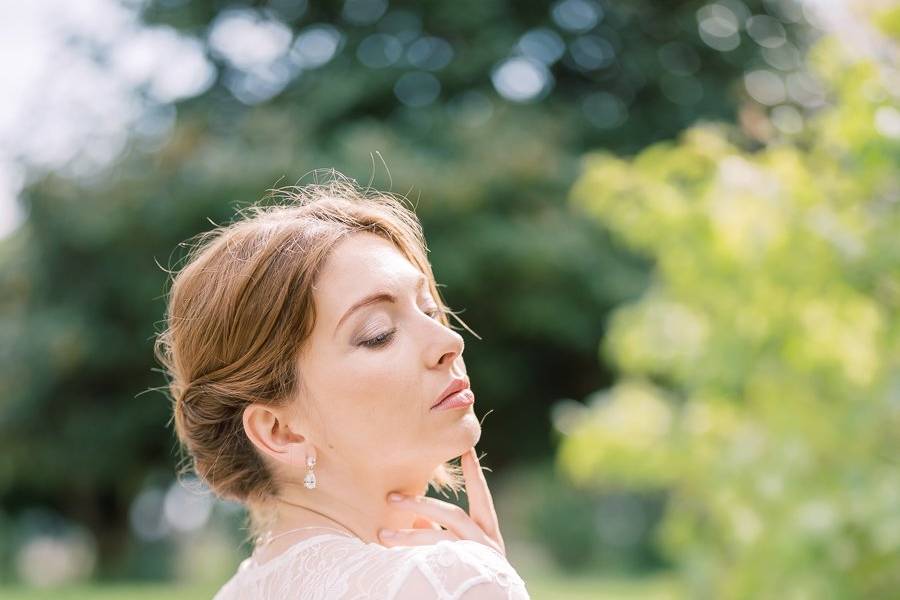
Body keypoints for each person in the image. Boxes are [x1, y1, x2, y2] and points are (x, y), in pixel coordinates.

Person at [154, 172, 530, 599]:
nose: (449, 341)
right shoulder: (451, 581)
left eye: (428, 308)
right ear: (281, 430)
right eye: (379, 333)